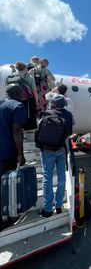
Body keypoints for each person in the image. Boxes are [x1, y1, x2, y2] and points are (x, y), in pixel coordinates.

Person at [39, 96, 73, 217]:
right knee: (61, 177)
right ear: (64, 104)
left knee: (47, 177)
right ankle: (58, 206)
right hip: (62, 149)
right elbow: (69, 132)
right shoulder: (69, 115)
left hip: (47, 150)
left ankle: (48, 209)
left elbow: (40, 130)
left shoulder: (47, 113)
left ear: (53, 104)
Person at [0, 84, 27, 230]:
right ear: (17, 93)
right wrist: (21, 154)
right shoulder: (17, 106)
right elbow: (17, 130)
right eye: (22, 92)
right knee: (4, 184)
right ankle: (3, 219)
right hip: (6, 152)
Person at [14, 62, 39, 130]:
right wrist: (37, 102)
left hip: (15, 99)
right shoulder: (29, 77)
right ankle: (28, 131)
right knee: (30, 117)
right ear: (25, 68)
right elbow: (34, 90)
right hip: (27, 100)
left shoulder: (13, 76)